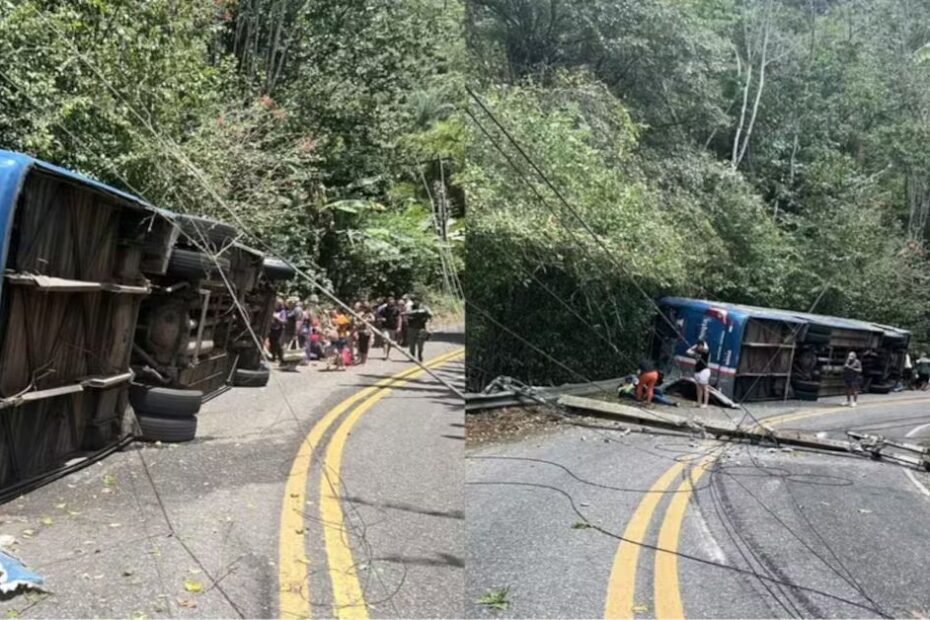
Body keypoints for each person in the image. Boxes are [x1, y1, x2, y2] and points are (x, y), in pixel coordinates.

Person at [686, 338, 711, 408]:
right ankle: (699, 402)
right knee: (698, 388)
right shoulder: (696, 353)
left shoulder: (705, 352)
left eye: (701, 345)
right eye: (699, 346)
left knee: (704, 387)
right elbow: (688, 351)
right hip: (697, 370)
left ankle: (705, 403)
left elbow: (706, 348)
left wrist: (703, 342)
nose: (700, 347)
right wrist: (695, 347)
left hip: (704, 370)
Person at [268, 298, 286, 363]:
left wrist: (277, 318)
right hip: (272, 329)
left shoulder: (282, 311)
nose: (276, 304)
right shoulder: (273, 310)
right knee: (272, 343)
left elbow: (283, 321)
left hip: (279, 330)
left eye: (277, 303)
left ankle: (281, 358)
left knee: (278, 344)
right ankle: (273, 357)